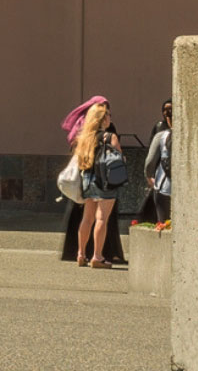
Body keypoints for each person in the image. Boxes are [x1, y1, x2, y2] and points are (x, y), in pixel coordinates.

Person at [72, 101, 122, 269]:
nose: (110, 118)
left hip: (88, 179)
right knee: (101, 218)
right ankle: (97, 256)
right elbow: (119, 158)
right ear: (103, 119)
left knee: (87, 219)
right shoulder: (110, 137)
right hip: (106, 181)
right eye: (108, 115)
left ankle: (81, 253)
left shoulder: (86, 137)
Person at [143, 101, 173, 223]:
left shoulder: (161, 136)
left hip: (164, 185)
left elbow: (150, 162)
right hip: (188, 188)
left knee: (164, 223)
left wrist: (149, 177)